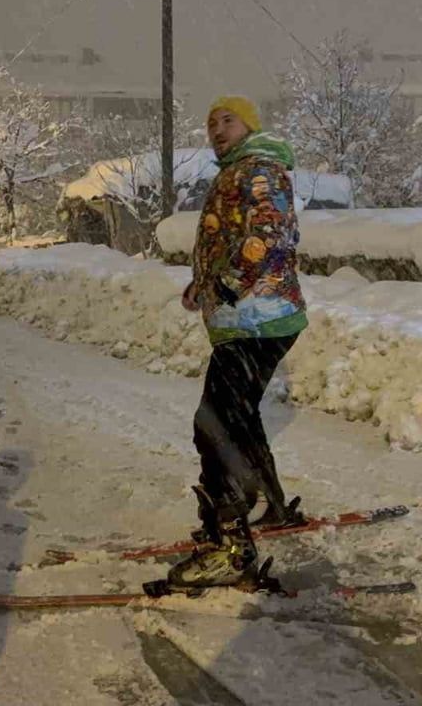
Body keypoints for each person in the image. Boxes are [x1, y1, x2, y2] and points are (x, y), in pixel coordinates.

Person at [167, 96, 308, 590]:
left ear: (249, 124)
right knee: (237, 415)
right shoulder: (241, 170)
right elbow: (232, 238)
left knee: (214, 424)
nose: (216, 129)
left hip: (256, 315)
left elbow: (267, 235)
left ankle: (230, 547)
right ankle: (269, 504)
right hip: (254, 316)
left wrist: (228, 283)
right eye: (210, 123)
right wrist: (204, 284)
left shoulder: (259, 169)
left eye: (227, 120)